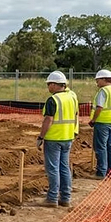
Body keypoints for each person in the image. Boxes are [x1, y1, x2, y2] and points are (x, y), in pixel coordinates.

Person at [37, 71, 78, 207]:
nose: (48, 87)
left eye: (49, 84)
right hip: (68, 137)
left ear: (55, 85)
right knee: (64, 167)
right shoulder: (72, 97)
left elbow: (48, 119)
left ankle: (52, 198)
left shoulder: (53, 100)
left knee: (53, 168)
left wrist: (41, 137)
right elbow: (76, 115)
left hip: (54, 138)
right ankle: (66, 198)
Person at [88, 69, 111, 179]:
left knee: (101, 147)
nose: (97, 83)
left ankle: (101, 172)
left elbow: (99, 107)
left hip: (102, 122)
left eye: (98, 80)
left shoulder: (103, 91)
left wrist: (93, 120)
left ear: (104, 79)